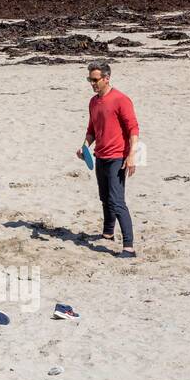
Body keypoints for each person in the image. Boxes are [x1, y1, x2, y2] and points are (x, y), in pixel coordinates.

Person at [77, 60, 140, 257]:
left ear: (106, 78)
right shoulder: (93, 101)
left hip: (117, 158)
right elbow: (92, 130)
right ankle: (108, 233)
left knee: (116, 201)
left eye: (95, 80)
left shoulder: (121, 99)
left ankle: (129, 247)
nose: (92, 83)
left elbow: (133, 129)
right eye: (90, 79)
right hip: (100, 156)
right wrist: (85, 147)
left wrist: (132, 156)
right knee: (105, 198)